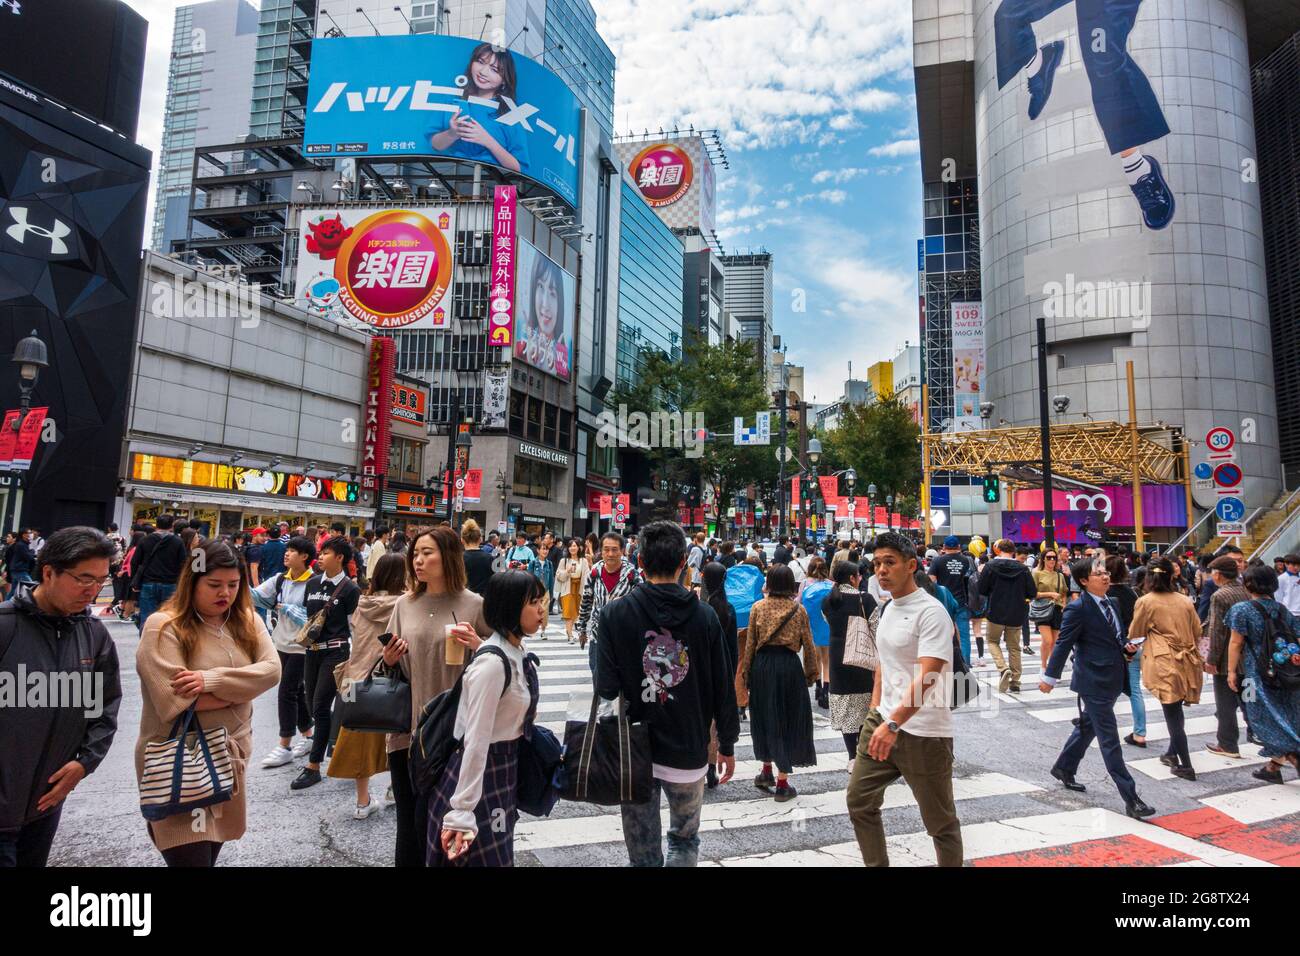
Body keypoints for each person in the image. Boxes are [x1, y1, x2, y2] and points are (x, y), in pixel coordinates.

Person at [596, 521, 738, 866]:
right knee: (685, 839)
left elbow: (606, 687)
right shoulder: (704, 617)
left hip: (636, 748)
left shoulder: (615, 614)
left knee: (642, 850)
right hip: (689, 746)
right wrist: (728, 744)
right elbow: (723, 685)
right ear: (683, 565)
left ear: (639, 562)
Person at [135, 538, 280, 866]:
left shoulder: (246, 620)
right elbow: (176, 701)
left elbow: (272, 672)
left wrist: (208, 681)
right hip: (180, 765)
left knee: (212, 850)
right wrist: (244, 689)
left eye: (233, 584)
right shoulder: (164, 626)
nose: (224, 593)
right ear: (192, 580)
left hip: (230, 761)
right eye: (214, 584)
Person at [0, 528, 121, 867]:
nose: (93, 591)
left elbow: (104, 707)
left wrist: (85, 762)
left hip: (44, 807)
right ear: (49, 572)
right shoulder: (6, 626)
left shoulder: (93, 636)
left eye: (100, 581)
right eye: (83, 579)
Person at [846, 532, 961, 867]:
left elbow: (929, 676)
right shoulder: (887, 609)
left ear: (911, 566)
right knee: (859, 801)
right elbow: (883, 665)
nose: (881, 570)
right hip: (882, 721)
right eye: (877, 563)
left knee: (940, 823)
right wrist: (875, 713)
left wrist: (894, 723)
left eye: (889, 562)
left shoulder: (931, 612)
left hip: (924, 733)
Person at [380, 525, 490, 867]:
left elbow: (504, 659)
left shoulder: (475, 605)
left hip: (454, 733)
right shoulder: (404, 603)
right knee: (409, 823)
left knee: (445, 823)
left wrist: (479, 645)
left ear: (450, 556)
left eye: (428, 552)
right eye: (415, 553)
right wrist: (389, 659)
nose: (419, 560)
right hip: (408, 731)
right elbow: (387, 667)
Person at [428, 570, 544, 867]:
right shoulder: (492, 665)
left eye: (541, 601)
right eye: (533, 602)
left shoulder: (511, 651)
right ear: (510, 607)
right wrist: (462, 813)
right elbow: (475, 741)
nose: (542, 609)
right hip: (482, 779)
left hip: (503, 774)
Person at [1040, 558, 1155, 820]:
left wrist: (1126, 645)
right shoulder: (1077, 609)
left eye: (1105, 572)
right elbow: (1064, 644)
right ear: (1083, 581)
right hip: (1093, 680)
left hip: (1114, 676)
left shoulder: (1112, 602)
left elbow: (1115, 636)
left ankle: (1064, 767)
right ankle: (1131, 797)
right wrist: (1050, 677)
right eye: (1098, 573)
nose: (1104, 577)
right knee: (1109, 738)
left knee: (1089, 725)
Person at [329, 552, 408, 819]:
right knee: (398, 736)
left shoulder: (363, 603)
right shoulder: (405, 605)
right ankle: (394, 788)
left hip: (355, 679)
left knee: (357, 741)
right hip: (386, 681)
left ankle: (362, 803)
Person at [740, 564, 819, 801]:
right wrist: (811, 673)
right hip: (788, 667)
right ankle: (782, 782)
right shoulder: (799, 610)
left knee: (764, 716)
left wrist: (746, 674)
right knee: (786, 718)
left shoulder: (758, 608)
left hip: (763, 666)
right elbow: (809, 644)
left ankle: (766, 771)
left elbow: (750, 644)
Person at [289, 536, 362, 791]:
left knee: (319, 705)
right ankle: (335, 740)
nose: (319, 557)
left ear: (340, 557)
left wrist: (357, 658)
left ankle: (313, 766)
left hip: (336, 652)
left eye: (325, 553)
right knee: (312, 704)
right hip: (312, 652)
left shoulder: (351, 590)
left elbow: (355, 626)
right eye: (319, 553)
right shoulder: (311, 584)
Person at [1128, 556, 1204, 780]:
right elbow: (1197, 630)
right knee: (1176, 710)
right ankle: (1172, 753)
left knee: (1171, 712)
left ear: (1149, 577)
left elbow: (1135, 632)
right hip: (1187, 659)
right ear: (1172, 575)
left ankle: (1185, 764)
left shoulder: (1146, 601)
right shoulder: (1184, 600)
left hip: (1164, 659)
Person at [1225, 566, 1300, 783]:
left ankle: (1294, 754)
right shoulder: (1281, 609)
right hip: (1285, 672)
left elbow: (1236, 642)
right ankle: (1273, 768)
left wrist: (1231, 671)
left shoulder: (1241, 609)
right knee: (1286, 714)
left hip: (1255, 673)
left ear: (1248, 585)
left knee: (1258, 716)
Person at [252, 535, 318, 767]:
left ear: (305, 557)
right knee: (297, 691)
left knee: (287, 691)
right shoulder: (280, 579)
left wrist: (290, 609)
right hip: (281, 642)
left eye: (292, 550)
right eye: (287, 550)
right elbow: (257, 596)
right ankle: (309, 734)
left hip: (303, 646)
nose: (286, 553)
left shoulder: (316, 583)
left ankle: (284, 745)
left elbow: (315, 617)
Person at [428, 43, 529, 174]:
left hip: (491, 183)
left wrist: (488, 141)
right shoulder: (453, 99)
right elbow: (435, 145)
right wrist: (452, 133)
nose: (483, 72)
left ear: (504, 80)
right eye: (480, 62)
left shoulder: (510, 114)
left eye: (494, 69)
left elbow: (519, 168)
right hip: (449, 174)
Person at [822, 560, 876, 773]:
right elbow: (876, 628)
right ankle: (864, 754)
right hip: (861, 658)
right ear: (853, 578)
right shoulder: (865, 599)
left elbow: (829, 623)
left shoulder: (829, 601)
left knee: (846, 709)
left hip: (837, 657)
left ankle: (852, 757)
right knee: (864, 707)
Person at [1203, 555, 1252, 759]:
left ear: (1218, 574)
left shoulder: (1220, 596)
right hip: (1247, 657)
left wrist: (1210, 658)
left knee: (1225, 703)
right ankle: (1263, 735)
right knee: (1249, 699)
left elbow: (1217, 631)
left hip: (1225, 659)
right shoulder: (1245, 591)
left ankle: (1227, 743)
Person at [575, 531, 640, 675]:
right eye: (606, 549)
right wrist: (582, 629)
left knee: (625, 680)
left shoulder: (631, 574)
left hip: (624, 636)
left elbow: (641, 601)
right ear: (601, 551)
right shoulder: (594, 572)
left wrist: (624, 603)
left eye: (614, 550)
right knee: (597, 674)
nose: (610, 554)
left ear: (622, 551)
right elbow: (586, 601)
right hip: (598, 634)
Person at [978, 538, 1038, 693]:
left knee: (992, 641)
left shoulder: (990, 566)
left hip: (996, 611)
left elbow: (982, 589)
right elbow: (1032, 592)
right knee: (1014, 647)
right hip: (1017, 612)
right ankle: (1015, 681)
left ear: (999, 550)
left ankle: (1003, 668)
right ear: (1014, 552)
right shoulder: (1023, 569)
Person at [700, 560, 739, 789]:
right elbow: (732, 648)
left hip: (701, 671)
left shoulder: (699, 607)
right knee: (715, 722)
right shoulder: (729, 609)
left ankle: (701, 763)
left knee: (702, 720)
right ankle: (712, 767)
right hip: (722, 670)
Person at [1106, 554, 1145, 748]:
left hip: (1116, 647)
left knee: (1104, 687)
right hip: (1136, 643)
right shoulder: (1132, 593)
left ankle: (1089, 720)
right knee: (1134, 690)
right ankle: (1140, 732)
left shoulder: (1106, 595)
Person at [124, 514, 187, 633]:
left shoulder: (145, 540)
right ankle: (165, 642)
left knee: (147, 617)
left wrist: (135, 580)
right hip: (170, 584)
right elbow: (184, 563)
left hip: (148, 583)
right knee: (169, 617)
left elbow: (135, 562)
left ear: (156, 525)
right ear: (171, 526)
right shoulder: (177, 541)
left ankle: (146, 642)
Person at [930, 535, 973, 664]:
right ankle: (965, 664)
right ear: (959, 547)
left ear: (944, 547)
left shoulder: (937, 561)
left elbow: (931, 581)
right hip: (961, 601)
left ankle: (945, 663)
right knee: (964, 636)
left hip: (943, 602)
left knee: (942, 634)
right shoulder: (966, 560)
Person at [797, 556, 834, 708]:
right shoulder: (832, 585)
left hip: (811, 625)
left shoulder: (805, 584)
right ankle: (826, 691)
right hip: (828, 625)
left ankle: (818, 686)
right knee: (827, 660)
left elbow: (798, 602)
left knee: (816, 658)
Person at [1032, 549, 1069, 669]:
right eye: (1049, 557)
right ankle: (1043, 667)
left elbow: (1064, 592)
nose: (1052, 560)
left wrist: (1063, 604)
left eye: (1054, 557)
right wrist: (1050, 594)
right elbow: (1032, 593)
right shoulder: (1037, 573)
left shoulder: (1059, 575)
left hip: (1057, 609)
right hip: (1042, 609)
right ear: (1043, 559)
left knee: (1054, 642)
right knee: (1047, 640)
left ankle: (1052, 668)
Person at [553, 537, 588, 644]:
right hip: (567, 588)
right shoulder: (564, 561)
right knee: (568, 612)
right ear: (568, 548)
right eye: (571, 546)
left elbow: (587, 575)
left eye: (575, 546)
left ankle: (570, 630)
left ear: (578, 548)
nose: (573, 548)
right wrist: (567, 571)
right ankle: (570, 635)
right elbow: (559, 576)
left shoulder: (583, 561)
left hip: (579, 589)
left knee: (576, 612)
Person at [461, 519, 495, 596]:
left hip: (463, 601)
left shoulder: (458, 559)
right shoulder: (489, 558)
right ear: (480, 539)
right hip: (483, 600)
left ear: (462, 540)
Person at [535, 537, 556, 639]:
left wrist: (551, 593)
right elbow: (530, 577)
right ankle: (533, 627)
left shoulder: (550, 564)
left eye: (546, 549)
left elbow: (551, 579)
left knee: (545, 611)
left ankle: (543, 631)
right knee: (535, 610)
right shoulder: (533, 563)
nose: (545, 551)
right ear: (538, 550)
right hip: (535, 591)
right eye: (543, 549)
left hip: (546, 591)